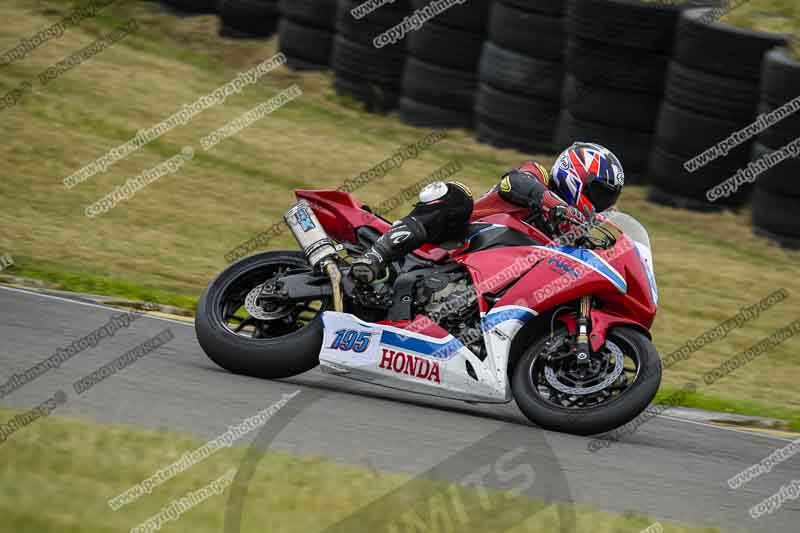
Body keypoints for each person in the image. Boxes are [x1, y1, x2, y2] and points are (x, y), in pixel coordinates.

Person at [350, 142, 625, 284]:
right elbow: (514, 183)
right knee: (458, 195)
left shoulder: (570, 233)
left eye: (608, 198)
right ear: (574, 173)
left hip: (486, 279)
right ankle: (376, 255)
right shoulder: (537, 176)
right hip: (456, 240)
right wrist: (556, 206)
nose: (601, 203)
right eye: (600, 193)